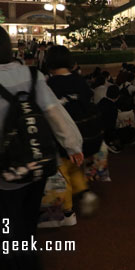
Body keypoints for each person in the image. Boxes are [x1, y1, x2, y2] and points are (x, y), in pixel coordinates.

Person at [0, 23, 83, 270]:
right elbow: (54, 111)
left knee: (5, 228)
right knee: (27, 222)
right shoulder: (32, 75)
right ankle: (29, 261)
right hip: (36, 163)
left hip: (0, 171)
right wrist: (72, 144)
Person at [41, 45, 98, 228]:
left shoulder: (49, 85)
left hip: (61, 137)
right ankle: (85, 193)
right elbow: (88, 98)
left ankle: (68, 212)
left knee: (63, 173)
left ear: (49, 63)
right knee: (75, 168)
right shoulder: (79, 80)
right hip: (82, 133)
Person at [98, 85, 122, 153]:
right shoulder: (113, 108)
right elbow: (111, 125)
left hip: (97, 131)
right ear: (118, 96)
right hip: (106, 133)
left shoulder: (101, 101)